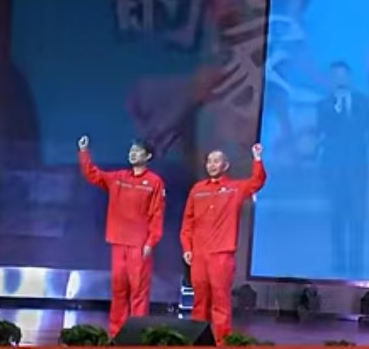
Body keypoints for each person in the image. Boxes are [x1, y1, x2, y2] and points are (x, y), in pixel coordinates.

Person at [77, 136, 166, 338]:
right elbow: (92, 174)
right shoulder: (118, 177)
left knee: (138, 291)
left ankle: (137, 333)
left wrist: (151, 241)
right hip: (118, 242)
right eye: (131, 151)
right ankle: (116, 332)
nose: (132, 154)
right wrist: (84, 152)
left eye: (137, 151)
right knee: (118, 290)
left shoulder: (154, 182)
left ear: (148, 156)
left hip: (139, 245)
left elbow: (157, 214)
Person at [180, 144, 266, 344]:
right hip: (199, 254)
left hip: (221, 254)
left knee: (220, 302)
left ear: (225, 165)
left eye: (216, 161)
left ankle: (221, 342)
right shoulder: (197, 189)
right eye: (209, 161)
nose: (212, 165)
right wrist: (187, 248)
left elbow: (257, 181)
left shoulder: (234, 189)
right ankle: (198, 341)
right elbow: (187, 222)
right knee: (199, 302)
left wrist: (257, 158)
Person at [315, 61, 369, 276]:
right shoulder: (324, 105)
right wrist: (336, 110)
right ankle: (339, 261)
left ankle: (357, 261)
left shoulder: (362, 102)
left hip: (358, 169)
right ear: (331, 79)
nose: (340, 79)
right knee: (337, 216)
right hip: (333, 169)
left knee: (358, 216)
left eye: (343, 75)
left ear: (349, 78)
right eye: (336, 76)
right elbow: (321, 133)